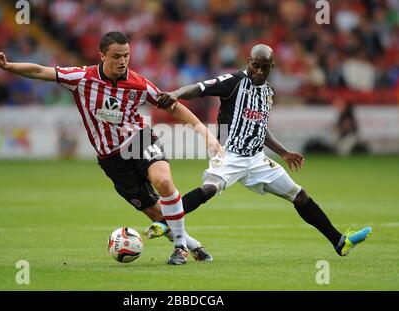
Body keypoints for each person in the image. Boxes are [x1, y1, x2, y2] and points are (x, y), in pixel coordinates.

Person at [0, 31, 223, 265]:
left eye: (126, 56)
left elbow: (172, 107)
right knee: (158, 214)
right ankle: (195, 244)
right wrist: (8, 66)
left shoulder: (139, 84)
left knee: (163, 181)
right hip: (112, 160)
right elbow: (40, 71)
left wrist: (206, 134)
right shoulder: (81, 78)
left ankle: (179, 248)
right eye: (117, 56)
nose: (122, 61)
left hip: (139, 141)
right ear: (102, 55)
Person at [150, 44, 372, 257]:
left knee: (300, 196)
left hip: (257, 160)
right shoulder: (234, 81)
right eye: (255, 65)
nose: (259, 71)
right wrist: (177, 93)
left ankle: (340, 242)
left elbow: (260, 128)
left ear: (271, 67)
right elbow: (200, 88)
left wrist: (284, 152)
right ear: (248, 61)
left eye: (265, 67)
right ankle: (164, 222)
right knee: (209, 189)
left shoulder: (268, 92)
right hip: (229, 154)